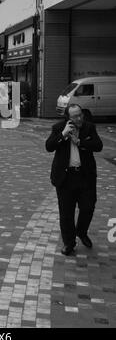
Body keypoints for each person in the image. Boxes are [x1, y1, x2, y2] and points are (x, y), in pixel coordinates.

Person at [45, 104, 103, 256]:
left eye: (80, 115)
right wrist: (63, 135)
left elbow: (98, 146)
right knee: (66, 214)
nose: (79, 118)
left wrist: (80, 142)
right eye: (75, 116)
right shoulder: (58, 128)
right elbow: (49, 147)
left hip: (85, 176)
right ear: (68, 118)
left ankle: (81, 232)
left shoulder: (89, 127)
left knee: (88, 207)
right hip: (65, 177)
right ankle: (69, 243)